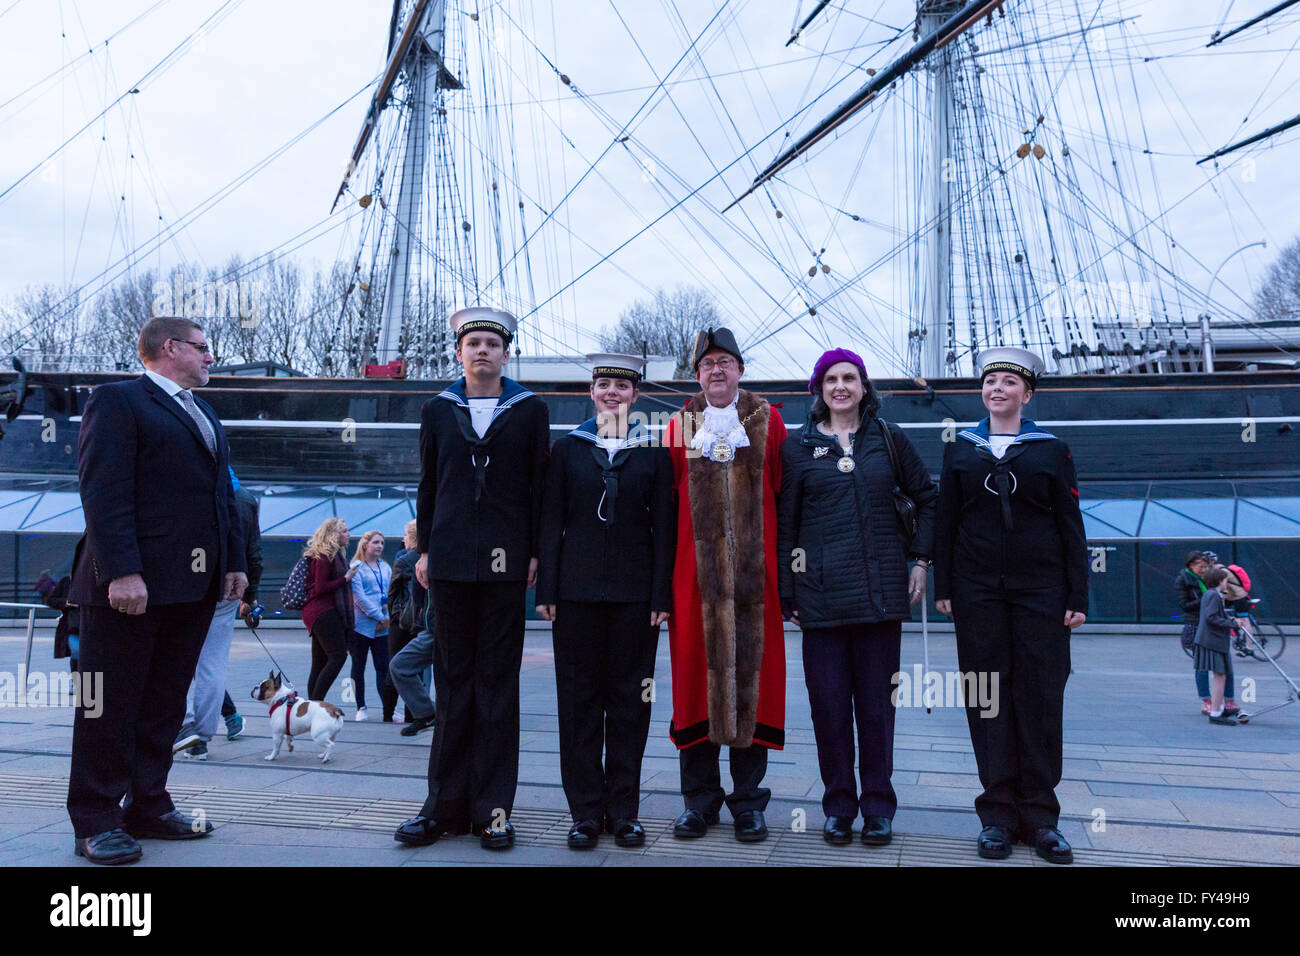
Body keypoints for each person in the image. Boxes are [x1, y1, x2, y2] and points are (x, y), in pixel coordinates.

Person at [65, 316, 247, 865]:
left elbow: (221, 498)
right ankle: (95, 819)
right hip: (128, 587)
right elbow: (103, 488)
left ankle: (147, 804)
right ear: (169, 349)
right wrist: (121, 570)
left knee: (164, 703)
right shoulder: (118, 402)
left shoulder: (204, 411)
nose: (211, 358)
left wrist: (233, 563)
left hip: (190, 589)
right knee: (106, 705)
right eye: (202, 348)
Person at [394, 307, 549, 851]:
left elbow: (537, 489)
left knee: (497, 687)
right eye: (472, 343)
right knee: (453, 682)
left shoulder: (530, 411)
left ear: (506, 353)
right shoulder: (438, 410)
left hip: (508, 566)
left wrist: (533, 553)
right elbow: (429, 482)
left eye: (491, 343)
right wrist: (428, 549)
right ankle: (442, 809)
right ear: (458, 353)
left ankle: (493, 811)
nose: (482, 350)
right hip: (453, 563)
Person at [932, 347, 1088, 865]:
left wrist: (1076, 594)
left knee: (1040, 697)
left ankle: (1041, 818)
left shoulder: (1051, 450)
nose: (997, 389)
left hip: (1041, 594)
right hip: (977, 592)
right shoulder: (961, 449)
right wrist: (945, 587)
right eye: (990, 381)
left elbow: (1070, 525)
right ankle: (996, 814)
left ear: (1026, 393)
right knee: (988, 697)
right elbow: (947, 523)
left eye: (1008, 382)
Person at [777, 348, 937, 847]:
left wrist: (921, 560)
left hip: (880, 599)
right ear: (818, 390)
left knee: (875, 710)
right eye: (830, 379)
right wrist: (789, 592)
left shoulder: (888, 440)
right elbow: (787, 526)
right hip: (821, 603)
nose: (840, 386)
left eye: (849, 378)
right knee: (827, 709)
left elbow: (928, 499)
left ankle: (878, 808)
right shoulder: (798, 448)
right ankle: (839, 806)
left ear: (864, 387)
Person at [535, 353, 675, 850]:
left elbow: (667, 532)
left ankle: (625, 812)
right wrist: (546, 590)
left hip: (636, 601)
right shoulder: (567, 451)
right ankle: (585, 814)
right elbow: (551, 523)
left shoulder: (654, 452)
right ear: (591, 394)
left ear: (636, 396)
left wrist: (662, 596)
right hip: (575, 598)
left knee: (630, 706)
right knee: (577, 705)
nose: (612, 392)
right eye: (603, 385)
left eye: (621, 385)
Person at [661, 327, 787, 844]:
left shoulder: (770, 422)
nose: (717, 369)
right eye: (708, 363)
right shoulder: (676, 426)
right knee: (695, 687)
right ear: (698, 374)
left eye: (725, 362)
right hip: (693, 585)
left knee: (751, 687)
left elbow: (783, 487)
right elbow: (666, 507)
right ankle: (699, 801)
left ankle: (749, 804)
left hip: (757, 584)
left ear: (740, 370)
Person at [175, 468, 264, 759]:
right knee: (212, 665)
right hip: (228, 588)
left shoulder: (190, 487)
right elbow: (254, 552)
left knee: (176, 660)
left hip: (187, 586)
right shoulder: (245, 498)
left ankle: (185, 727)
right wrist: (249, 598)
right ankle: (202, 735)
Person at [302, 517, 357, 701]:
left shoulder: (332, 555)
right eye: (344, 531)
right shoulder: (325, 557)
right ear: (333, 534)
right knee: (338, 656)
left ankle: (312, 705)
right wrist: (346, 578)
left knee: (319, 662)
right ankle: (316, 702)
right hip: (322, 611)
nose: (348, 535)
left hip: (318, 612)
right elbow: (320, 588)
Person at [347, 529, 392, 722]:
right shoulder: (356, 566)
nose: (380, 546)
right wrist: (379, 617)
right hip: (361, 626)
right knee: (358, 666)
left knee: (383, 667)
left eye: (382, 542)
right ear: (365, 545)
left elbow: (390, 593)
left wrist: (387, 617)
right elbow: (359, 598)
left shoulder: (386, 567)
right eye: (376, 542)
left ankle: (388, 708)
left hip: (383, 627)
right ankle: (361, 706)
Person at [383, 520, 423, 724]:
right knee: (418, 669)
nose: (403, 539)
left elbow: (393, 593)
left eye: (405, 536)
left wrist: (396, 617)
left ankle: (388, 713)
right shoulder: (429, 558)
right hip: (422, 622)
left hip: (402, 623)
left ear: (412, 537)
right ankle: (414, 714)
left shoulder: (405, 560)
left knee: (395, 666)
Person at [1194, 566, 1239, 725]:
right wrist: (1231, 623)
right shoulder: (1213, 595)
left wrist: (1230, 621)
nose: (1227, 582)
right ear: (1220, 580)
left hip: (1211, 640)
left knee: (1221, 675)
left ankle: (1218, 708)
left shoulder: (1211, 594)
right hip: (1212, 641)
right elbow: (1211, 617)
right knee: (1220, 676)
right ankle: (1216, 712)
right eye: (1226, 579)